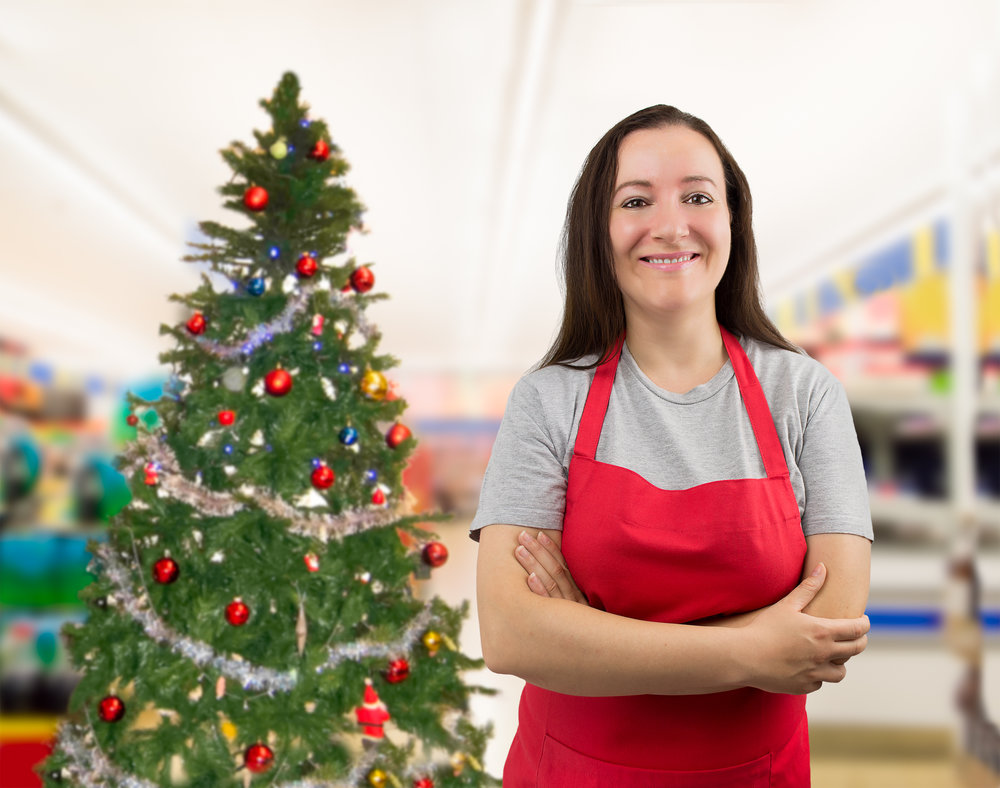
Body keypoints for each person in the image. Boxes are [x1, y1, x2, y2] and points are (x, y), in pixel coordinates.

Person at [471, 104, 873, 787]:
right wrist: (753, 650)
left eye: (697, 196)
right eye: (636, 200)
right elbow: (512, 636)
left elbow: (827, 630)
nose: (670, 224)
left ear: (731, 222)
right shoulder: (548, 401)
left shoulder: (804, 396)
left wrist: (591, 633)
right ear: (600, 232)